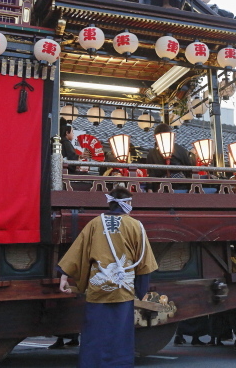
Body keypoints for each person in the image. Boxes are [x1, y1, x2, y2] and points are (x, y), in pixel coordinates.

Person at [57, 185, 158, 368]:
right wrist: (141, 290)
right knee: (120, 331)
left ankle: (91, 363)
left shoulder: (95, 223)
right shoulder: (135, 225)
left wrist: (64, 275)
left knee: (95, 329)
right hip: (123, 288)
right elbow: (144, 262)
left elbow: (78, 251)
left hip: (98, 287)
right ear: (126, 203)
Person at [145, 123, 194, 190]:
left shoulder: (151, 153)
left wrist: (149, 189)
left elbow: (151, 174)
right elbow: (189, 167)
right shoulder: (180, 149)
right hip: (181, 183)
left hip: (161, 186)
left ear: (155, 137)